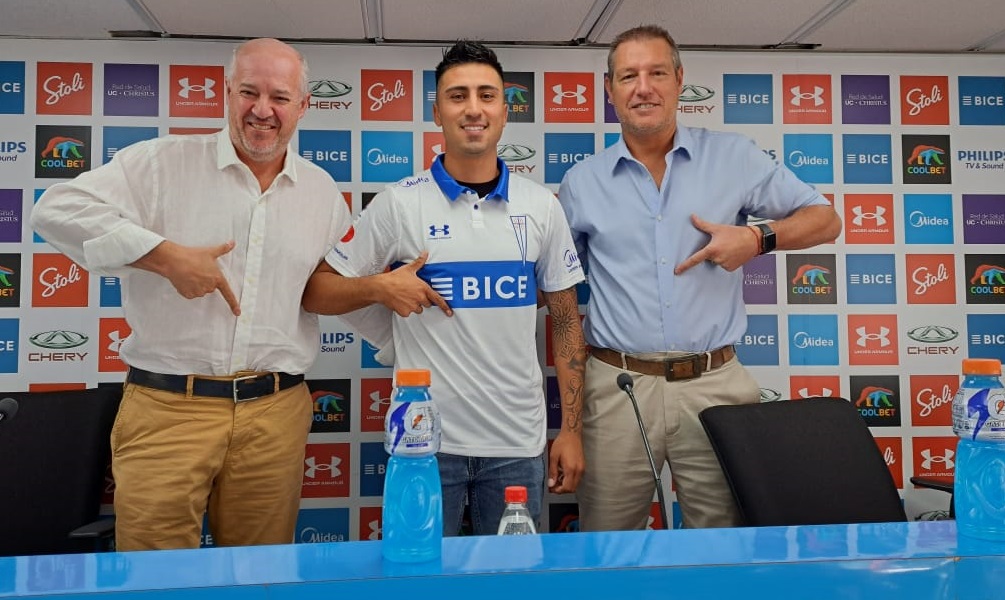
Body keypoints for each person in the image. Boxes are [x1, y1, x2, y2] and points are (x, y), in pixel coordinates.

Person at [30, 38, 351, 550]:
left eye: (280, 97)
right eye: (248, 92)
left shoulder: (323, 192)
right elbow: (54, 210)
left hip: (275, 413)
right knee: (154, 579)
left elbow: (321, 288)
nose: (262, 110)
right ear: (226, 92)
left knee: (259, 578)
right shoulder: (161, 163)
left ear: (304, 105)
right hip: (167, 408)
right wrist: (164, 256)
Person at [558, 25, 842, 531]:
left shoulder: (733, 156)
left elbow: (825, 218)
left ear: (679, 80)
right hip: (618, 387)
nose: (643, 87)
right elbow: (554, 293)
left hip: (716, 385)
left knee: (725, 542)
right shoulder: (581, 183)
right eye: (628, 76)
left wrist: (757, 239)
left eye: (656, 73)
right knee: (607, 543)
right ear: (610, 90)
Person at [302, 40, 587, 535]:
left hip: (516, 446)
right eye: (458, 96)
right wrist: (379, 288)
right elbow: (316, 291)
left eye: (486, 95)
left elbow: (565, 322)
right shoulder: (398, 203)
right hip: (422, 445)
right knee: (417, 580)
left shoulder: (541, 205)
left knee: (511, 586)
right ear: (436, 112)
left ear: (505, 109)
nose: (473, 108)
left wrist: (572, 431)